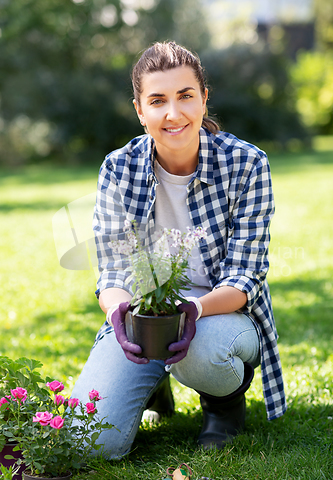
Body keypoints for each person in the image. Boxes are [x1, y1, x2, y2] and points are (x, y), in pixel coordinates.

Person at [71, 41, 287, 458]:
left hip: (221, 316)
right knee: (90, 443)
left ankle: (223, 405)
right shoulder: (118, 167)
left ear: (204, 99)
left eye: (185, 96)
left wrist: (194, 310)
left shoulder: (247, 164)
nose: (173, 113)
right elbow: (113, 269)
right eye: (157, 101)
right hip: (145, 317)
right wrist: (118, 312)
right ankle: (154, 383)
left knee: (202, 350)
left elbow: (245, 277)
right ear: (140, 111)